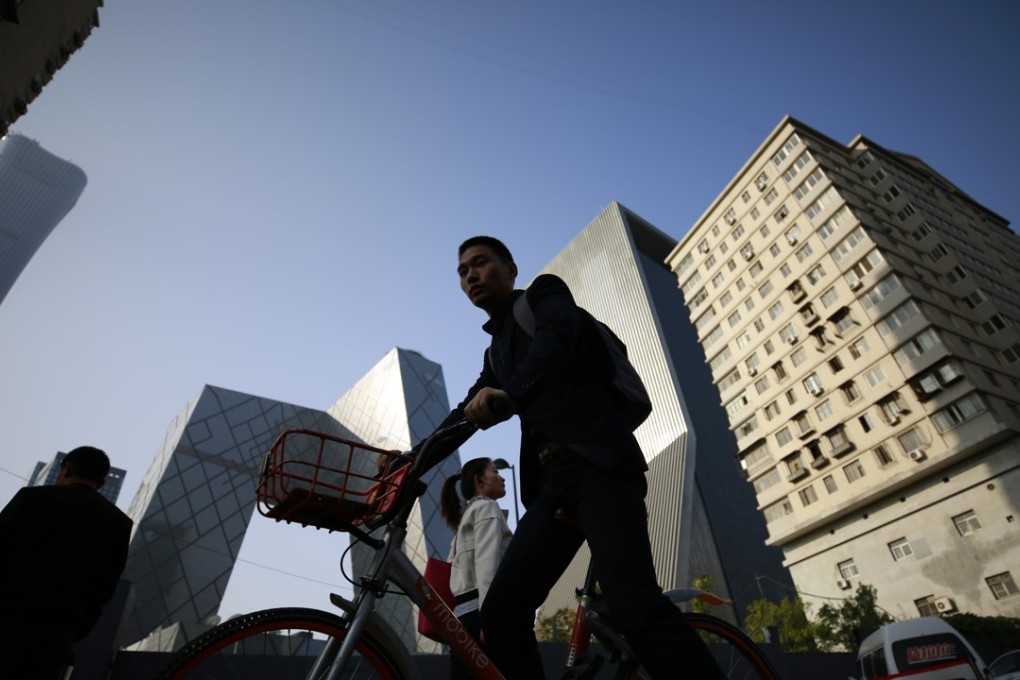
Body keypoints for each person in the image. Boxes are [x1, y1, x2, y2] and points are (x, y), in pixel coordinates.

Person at [411, 236, 726, 679]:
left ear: (511, 268)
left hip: (600, 464)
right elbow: (462, 418)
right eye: (463, 272)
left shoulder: (544, 295)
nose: (471, 276)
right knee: (501, 611)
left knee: (631, 600)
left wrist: (510, 393)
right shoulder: (496, 353)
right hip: (553, 488)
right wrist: (409, 462)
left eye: (480, 264)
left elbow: (554, 343)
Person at [0, 446, 133, 680]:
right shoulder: (118, 523)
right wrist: (76, 627)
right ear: (101, 482)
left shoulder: (31, 499)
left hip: (8, 616)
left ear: (66, 469)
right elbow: (106, 585)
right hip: (58, 632)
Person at [439, 457, 513, 680]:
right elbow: (487, 565)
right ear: (479, 480)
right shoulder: (488, 508)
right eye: (494, 472)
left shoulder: (466, 517)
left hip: (462, 616)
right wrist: (489, 618)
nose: (501, 477)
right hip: (482, 612)